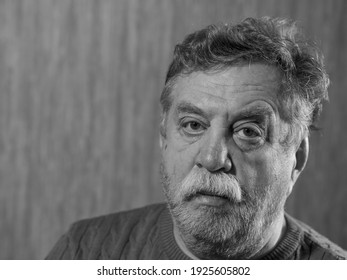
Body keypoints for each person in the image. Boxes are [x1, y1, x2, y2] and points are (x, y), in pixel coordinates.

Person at [46, 17, 347, 260]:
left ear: (297, 158)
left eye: (248, 132)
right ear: (164, 138)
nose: (212, 159)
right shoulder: (82, 253)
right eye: (193, 125)